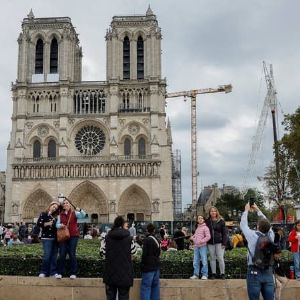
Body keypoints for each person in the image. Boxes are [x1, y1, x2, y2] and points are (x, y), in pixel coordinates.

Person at [240, 202, 279, 300]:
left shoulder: (252, 235)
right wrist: (258, 210)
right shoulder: (271, 235)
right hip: (268, 272)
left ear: (258, 226)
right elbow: (267, 223)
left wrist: (246, 211)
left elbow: (243, 224)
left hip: (254, 271)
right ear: (269, 227)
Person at [101, 216, 136, 300]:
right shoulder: (129, 238)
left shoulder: (107, 238)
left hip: (110, 272)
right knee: (124, 296)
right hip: (125, 273)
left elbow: (102, 253)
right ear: (122, 224)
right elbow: (134, 252)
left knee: (110, 296)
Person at [56, 197, 86, 279]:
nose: (65, 204)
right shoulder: (60, 215)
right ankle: (60, 272)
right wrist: (61, 225)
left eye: (67, 203)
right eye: (64, 203)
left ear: (70, 205)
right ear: (63, 205)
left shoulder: (75, 213)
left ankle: (73, 273)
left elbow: (84, 215)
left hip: (73, 236)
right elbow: (56, 225)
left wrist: (80, 209)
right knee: (62, 254)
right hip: (63, 236)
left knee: (72, 254)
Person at [37, 200, 60, 278]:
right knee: (47, 256)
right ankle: (43, 272)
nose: (54, 208)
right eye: (53, 206)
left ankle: (53, 273)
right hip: (46, 238)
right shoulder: (43, 214)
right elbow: (38, 223)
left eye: (56, 208)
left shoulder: (56, 217)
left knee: (54, 256)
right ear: (50, 206)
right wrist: (47, 224)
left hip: (55, 238)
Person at [206, 206, 228, 279]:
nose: (213, 212)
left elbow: (225, 233)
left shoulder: (221, 221)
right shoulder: (207, 221)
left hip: (219, 242)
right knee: (212, 258)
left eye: (214, 211)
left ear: (216, 212)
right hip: (210, 243)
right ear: (209, 213)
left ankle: (222, 273)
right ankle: (213, 273)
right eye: (211, 211)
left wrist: (224, 243)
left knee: (220, 258)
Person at [140, 223, 161, 300]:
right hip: (156, 266)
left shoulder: (147, 240)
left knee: (146, 287)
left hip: (148, 267)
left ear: (147, 231)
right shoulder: (157, 240)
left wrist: (142, 265)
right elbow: (158, 253)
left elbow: (144, 254)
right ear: (154, 230)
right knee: (155, 287)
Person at [190, 215, 211, 280]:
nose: (200, 219)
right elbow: (195, 236)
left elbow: (208, 237)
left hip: (203, 247)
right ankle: (196, 274)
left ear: (204, 220)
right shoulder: (197, 228)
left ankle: (205, 274)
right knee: (195, 261)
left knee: (204, 261)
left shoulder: (206, 228)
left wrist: (201, 241)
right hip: (196, 247)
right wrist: (192, 238)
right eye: (199, 218)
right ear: (197, 220)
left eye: (202, 218)